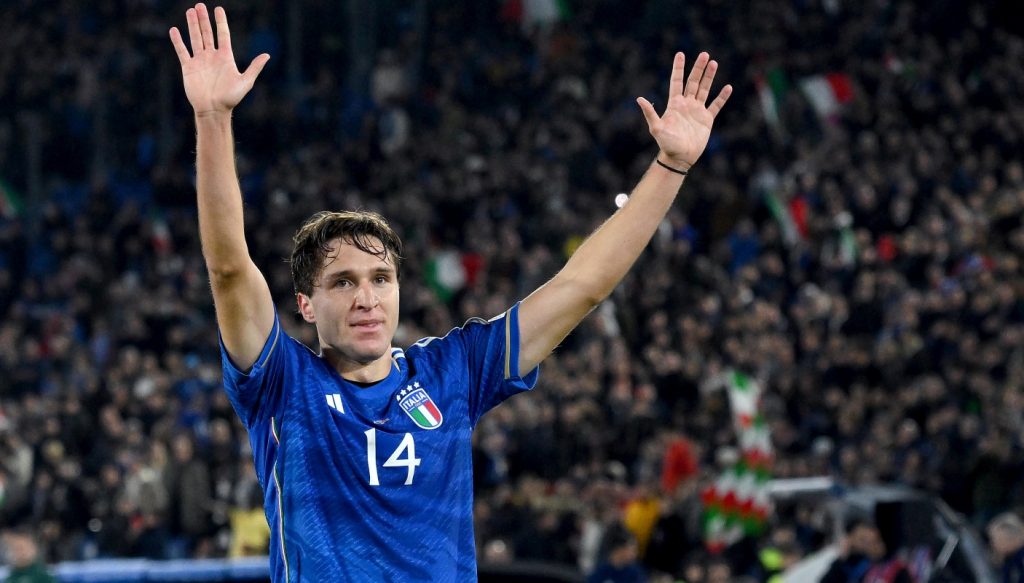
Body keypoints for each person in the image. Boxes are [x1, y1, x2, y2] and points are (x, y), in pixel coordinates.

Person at [167, 3, 731, 581]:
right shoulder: (283, 386)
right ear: (306, 305)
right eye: (343, 282)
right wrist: (212, 118)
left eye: (381, 279)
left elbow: (581, 287)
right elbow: (231, 270)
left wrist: (670, 166)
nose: (367, 298)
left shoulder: (451, 372)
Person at [988, 512, 1024, 583]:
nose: (992, 544)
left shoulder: (1020, 559)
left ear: (1010, 537)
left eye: (995, 539)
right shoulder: (1010, 559)